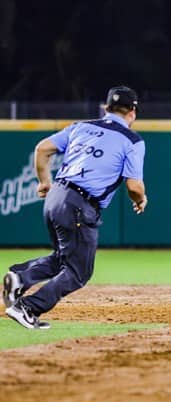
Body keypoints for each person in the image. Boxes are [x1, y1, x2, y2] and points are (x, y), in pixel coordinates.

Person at [3, 85, 148, 329]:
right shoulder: (132, 140)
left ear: (106, 108)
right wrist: (140, 200)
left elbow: (43, 149)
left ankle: (20, 277)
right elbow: (134, 187)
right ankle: (28, 307)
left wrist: (44, 182)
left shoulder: (81, 126)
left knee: (63, 259)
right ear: (133, 112)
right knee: (79, 271)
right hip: (80, 204)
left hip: (55, 197)